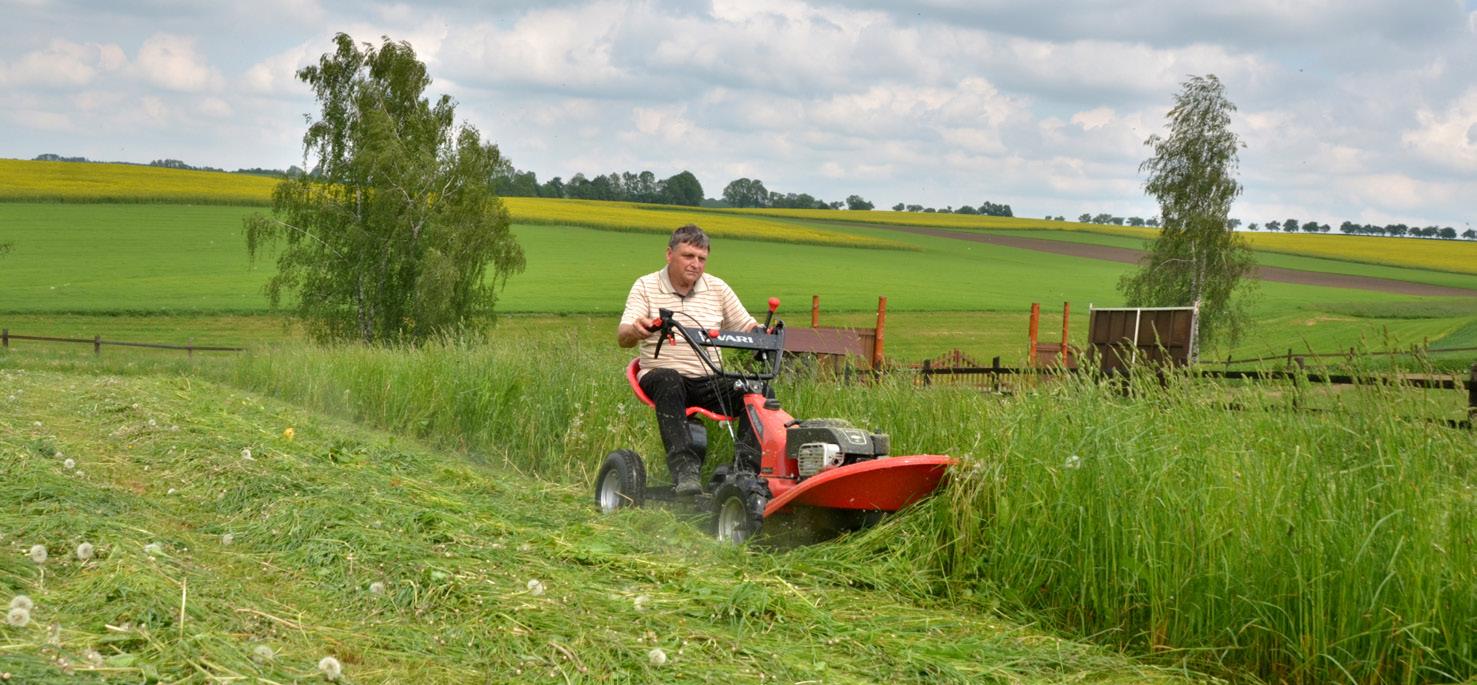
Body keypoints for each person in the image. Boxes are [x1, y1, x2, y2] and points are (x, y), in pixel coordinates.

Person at [618, 224, 763, 496]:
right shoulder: (646, 286)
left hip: (709, 379)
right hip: (661, 376)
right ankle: (685, 470)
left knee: (758, 391)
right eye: (688, 256)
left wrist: (762, 335)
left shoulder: (717, 288)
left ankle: (743, 471)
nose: (695, 264)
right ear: (669, 254)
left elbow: (746, 326)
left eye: (701, 258)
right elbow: (623, 336)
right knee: (669, 378)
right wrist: (636, 330)